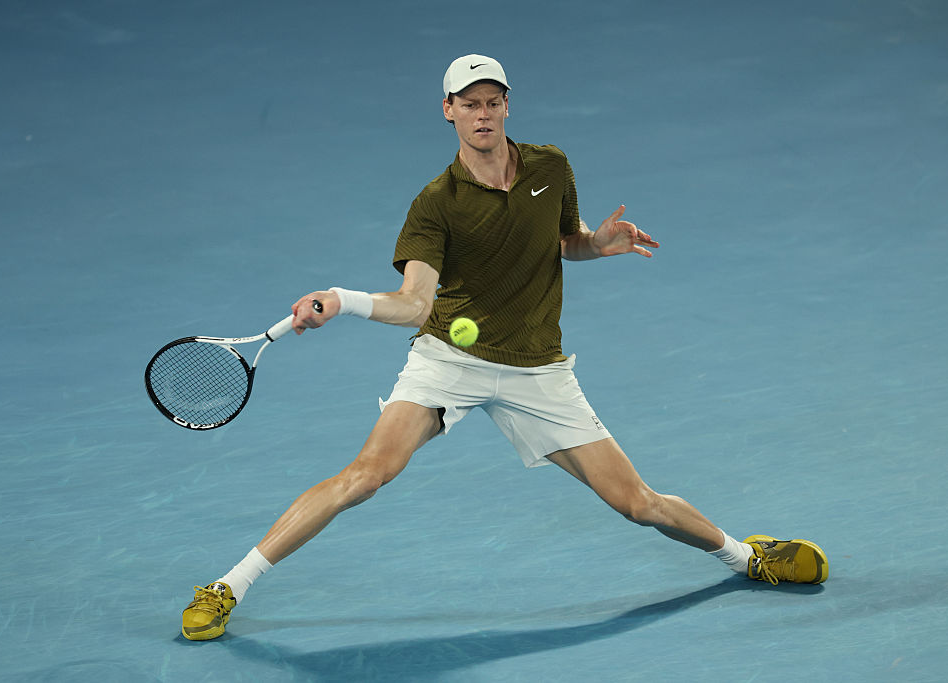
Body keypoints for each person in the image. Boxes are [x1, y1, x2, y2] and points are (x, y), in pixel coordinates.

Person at [180, 54, 828, 641]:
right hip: (450, 361)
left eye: (492, 101)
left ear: (507, 105)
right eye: (469, 102)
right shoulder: (435, 205)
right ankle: (227, 584)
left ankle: (749, 556)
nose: (482, 113)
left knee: (638, 503)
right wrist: (341, 299)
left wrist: (596, 243)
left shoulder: (550, 165)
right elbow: (414, 305)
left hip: (537, 368)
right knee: (364, 476)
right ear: (448, 111)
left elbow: (562, 239)